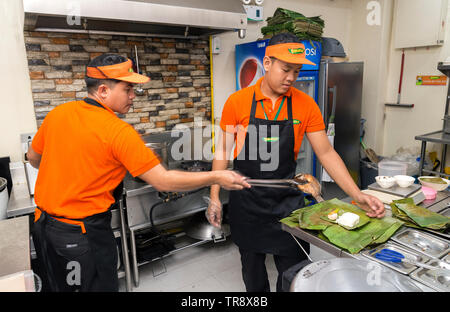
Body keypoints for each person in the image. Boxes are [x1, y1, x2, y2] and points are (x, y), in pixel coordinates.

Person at [27, 53, 250, 292]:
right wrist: (216, 176)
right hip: (81, 237)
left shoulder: (58, 114)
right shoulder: (117, 131)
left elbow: (33, 158)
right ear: (103, 90)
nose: (133, 96)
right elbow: (163, 181)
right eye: (128, 89)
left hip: (43, 228)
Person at [206, 33, 385, 292]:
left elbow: (326, 153)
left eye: (297, 71)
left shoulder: (306, 105)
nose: (291, 77)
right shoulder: (238, 102)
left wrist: (357, 194)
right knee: (253, 276)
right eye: (285, 69)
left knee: (295, 273)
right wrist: (214, 196)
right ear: (267, 63)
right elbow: (222, 151)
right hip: (247, 205)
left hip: (286, 204)